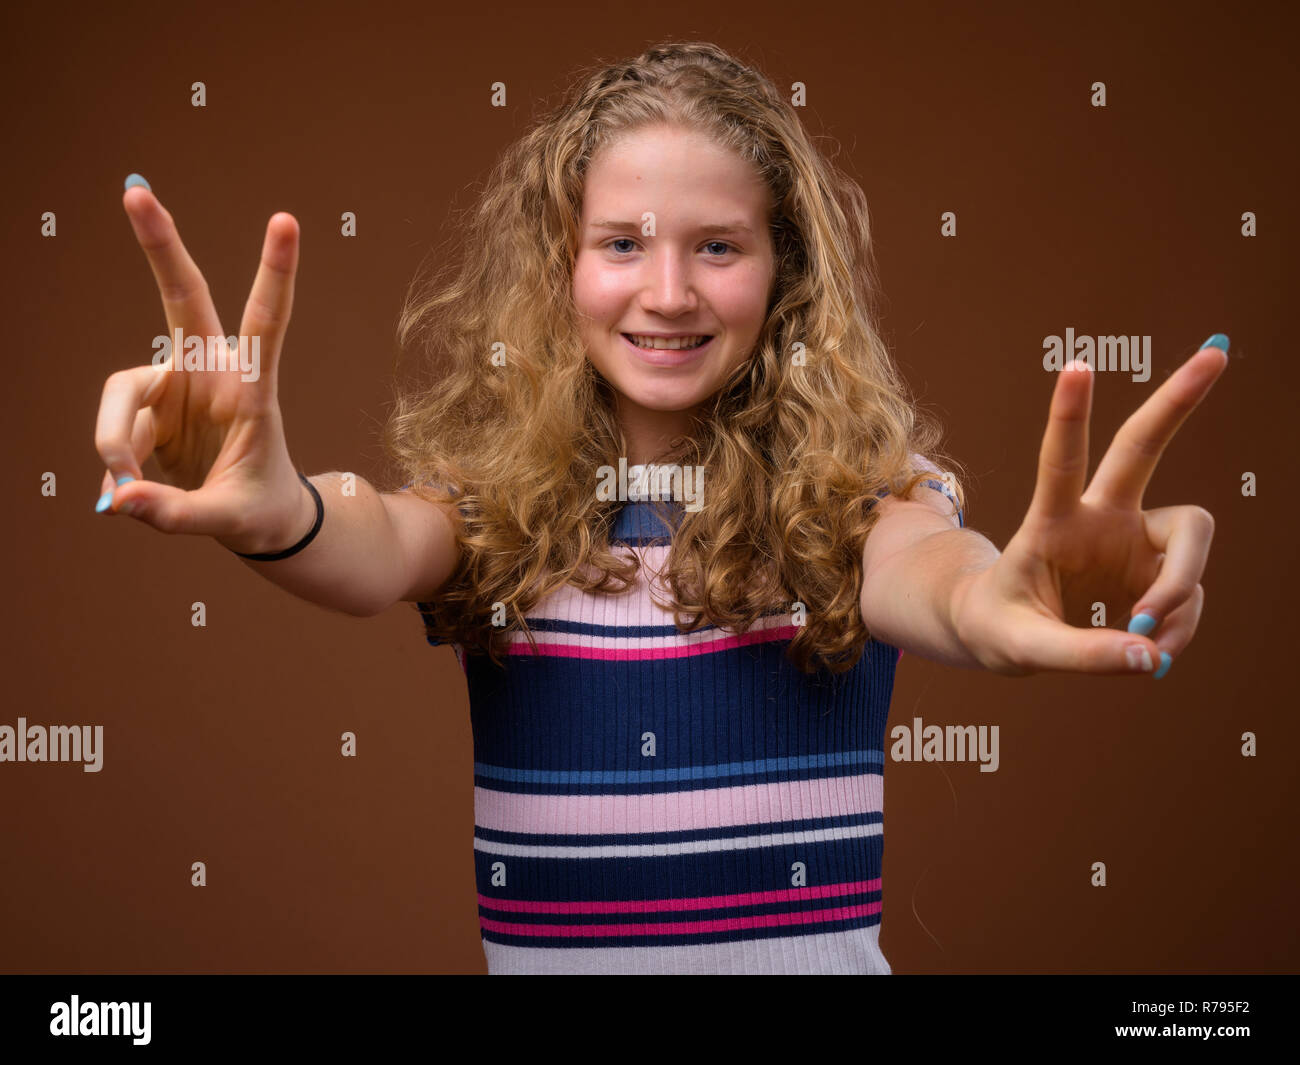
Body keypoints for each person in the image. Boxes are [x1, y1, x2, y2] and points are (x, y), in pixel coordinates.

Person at [92, 41, 1224, 974]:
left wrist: (1001, 600)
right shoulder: (495, 515)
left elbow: (943, 575)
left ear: (784, 273)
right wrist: (272, 502)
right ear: (560, 268)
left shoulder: (858, 507)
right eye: (622, 244)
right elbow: (368, 535)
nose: (669, 292)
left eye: (718, 247)